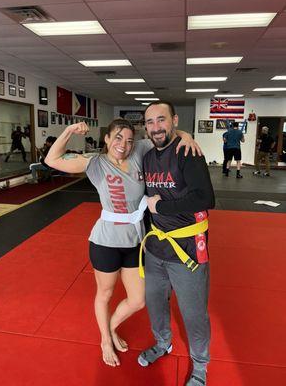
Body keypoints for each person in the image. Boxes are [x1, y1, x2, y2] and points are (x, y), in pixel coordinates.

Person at [45, 118, 202, 368]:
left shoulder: (139, 149)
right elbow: (51, 160)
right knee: (105, 293)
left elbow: (163, 133)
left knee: (138, 299)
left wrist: (185, 136)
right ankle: (106, 340)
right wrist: (69, 131)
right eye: (117, 138)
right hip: (105, 241)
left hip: (135, 241)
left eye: (129, 139)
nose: (123, 144)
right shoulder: (94, 163)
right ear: (106, 139)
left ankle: (109, 327)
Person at [137, 101, 215, 386]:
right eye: (150, 122)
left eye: (162, 120)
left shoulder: (187, 152)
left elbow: (205, 198)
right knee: (155, 303)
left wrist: (161, 209)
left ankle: (200, 367)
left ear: (174, 120)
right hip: (156, 249)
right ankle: (163, 344)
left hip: (188, 251)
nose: (156, 127)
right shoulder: (146, 156)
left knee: (193, 313)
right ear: (145, 127)